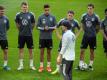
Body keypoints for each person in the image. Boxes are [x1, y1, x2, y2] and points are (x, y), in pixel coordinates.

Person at [51, 10, 80, 74]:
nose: (70, 17)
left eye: (71, 16)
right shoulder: (62, 21)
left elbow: (80, 29)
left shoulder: (75, 22)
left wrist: (75, 37)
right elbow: (56, 27)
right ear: (67, 15)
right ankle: (58, 69)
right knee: (60, 53)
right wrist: (59, 35)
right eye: (69, 15)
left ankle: (66, 69)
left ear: (73, 16)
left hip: (70, 42)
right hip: (63, 41)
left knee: (68, 54)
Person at [78, 3, 100, 70]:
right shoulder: (84, 16)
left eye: (91, 8)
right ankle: (80, 65)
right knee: (82, 50)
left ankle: (90, 65)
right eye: (88, 8)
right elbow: (82, 25)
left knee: (92, 51)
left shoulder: (96, 17)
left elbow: (98, 27)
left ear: (93, 9)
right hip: (85, 36)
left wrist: (95, 33)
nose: (89, 10)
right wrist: (85, 31)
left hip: (93, 37)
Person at [15, 2, 36, 70]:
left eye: (26, 7)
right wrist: (20, 30)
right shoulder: (18, 15)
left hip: (29, 35)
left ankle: (31, 65)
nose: (25, 8)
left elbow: (33, 23)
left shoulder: (31, 14)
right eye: (24, 7)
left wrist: (31, 30)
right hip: (21, 35)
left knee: (30, 50)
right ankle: (21, 65)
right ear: (21, 7)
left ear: (28, 7)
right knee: (21, 50)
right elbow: (17, 24)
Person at [37, 4, 56, 72]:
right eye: (45, 10)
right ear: (44, 10)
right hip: (42, 38)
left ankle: (48, 66)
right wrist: (43, 28)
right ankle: (41, 66)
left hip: (49, 38)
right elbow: (37, 27)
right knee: (41, 52)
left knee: (49, 52)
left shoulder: (53, 17)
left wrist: (49, 28)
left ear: (49, 10)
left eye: (48, 10)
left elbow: (55, 26)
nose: (47, 11)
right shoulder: (40, 17)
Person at [0, 6, 10, 70]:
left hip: (4, 38)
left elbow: (7, 28)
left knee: (5, 51)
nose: (2, 12)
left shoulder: (6, 19)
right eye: (1, 11)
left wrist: (3, 33)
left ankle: (5, 65)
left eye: (3, 11)